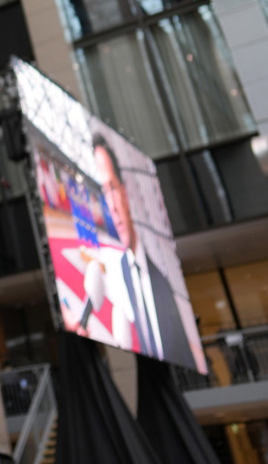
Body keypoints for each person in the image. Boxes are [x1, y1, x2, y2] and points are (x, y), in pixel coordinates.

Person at [92, 135, 197, 370]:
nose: (113, 207)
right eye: (103, 194)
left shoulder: (163, 279)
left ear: (125, 192)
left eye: (112, 188)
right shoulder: (113, 280)